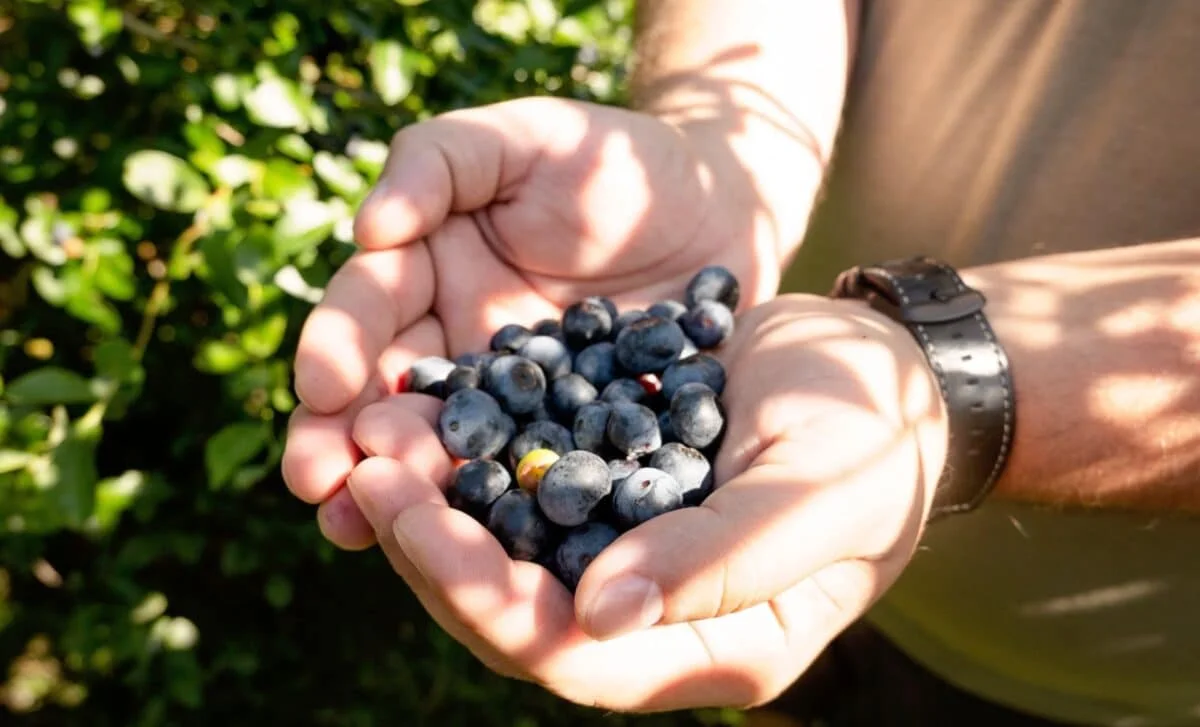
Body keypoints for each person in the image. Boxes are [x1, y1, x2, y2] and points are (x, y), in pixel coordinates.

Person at [281, 1, 1200, 724]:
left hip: (1092, 673)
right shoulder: (661, 393)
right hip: (770, 465)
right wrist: (722, 150)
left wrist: (942, 381)